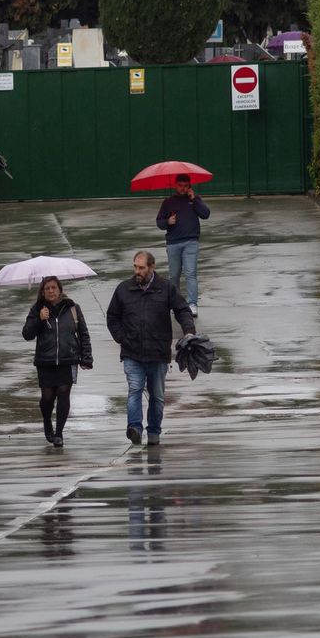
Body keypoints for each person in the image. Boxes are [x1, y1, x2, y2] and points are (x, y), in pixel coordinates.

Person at [105, 251, 196, 447]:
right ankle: (135, 428)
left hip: (158, 353)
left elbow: (182, 310)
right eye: (135, 267)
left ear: (152, 267)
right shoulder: (123, 289)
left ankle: (154, 432)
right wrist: (122, 338)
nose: (137, 271)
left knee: (157, 396)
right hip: (132, 352)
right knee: (135, 389)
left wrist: (188, 331)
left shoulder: (165, 288)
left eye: (141, 268)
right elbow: (112, 317)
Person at [21, 276, 93, 447]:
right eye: (47, 288)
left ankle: (59, 433)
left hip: (68, 359)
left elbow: (83, 334)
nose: (51, 291)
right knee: (47, 397)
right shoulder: (37, 309)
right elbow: (27, 334)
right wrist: (39, 319)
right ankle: (47, 421)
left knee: (63, 392)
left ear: (60, 290)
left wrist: (87, 357)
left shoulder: (73, 308)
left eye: (54, 287)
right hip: (45, 361)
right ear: (43, 292)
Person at [155, 173, 211, 316]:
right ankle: (177, 303)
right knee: (174, 275)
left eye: (186, 186)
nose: (183, 189)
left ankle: (192, 303)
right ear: (175, 185)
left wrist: (195, 199)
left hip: (191, 241)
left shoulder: (194, 200)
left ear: (190, 186)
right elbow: (159, 222)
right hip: (173, 243)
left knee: (190, 273)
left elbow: (206, 214)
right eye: (180, 185)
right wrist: (168, 222)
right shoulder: (168, 202)